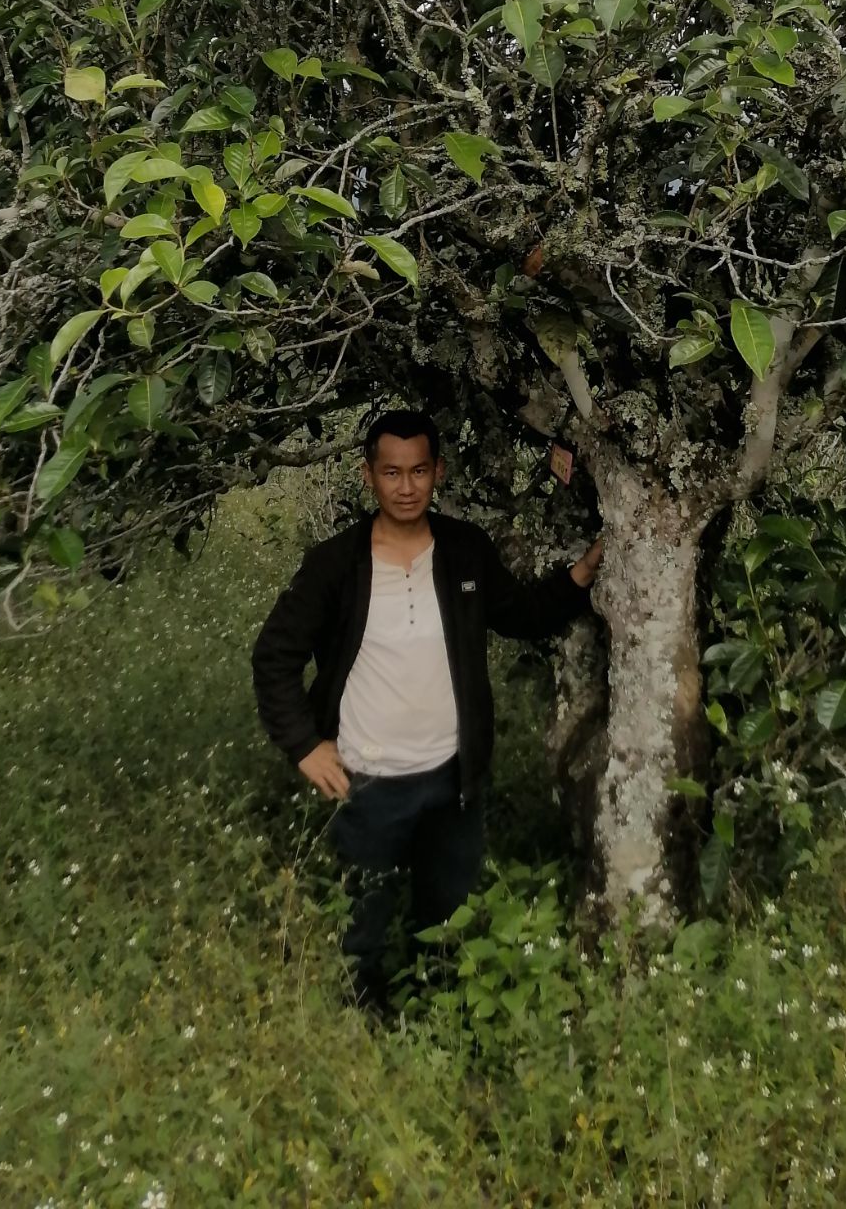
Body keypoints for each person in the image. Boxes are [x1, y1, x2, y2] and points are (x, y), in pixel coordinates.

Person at [250, 407, 604, 1015]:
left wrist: (581, 573)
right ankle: (354, 1021)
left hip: (452, 778)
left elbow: (519, 614)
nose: (406, 487)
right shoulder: (336, 564)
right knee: (362, 917)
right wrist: (306, 745)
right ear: (369, 476)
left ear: (437, 471)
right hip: (369, 781)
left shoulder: (465, 551)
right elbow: (274, 656)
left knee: (447, 914)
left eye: (418, 471)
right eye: (391, 472)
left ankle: (440, 1016)